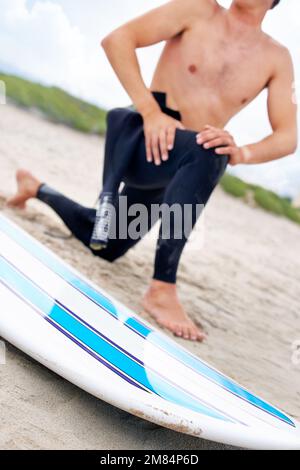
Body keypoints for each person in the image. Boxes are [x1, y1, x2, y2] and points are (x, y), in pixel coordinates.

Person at [9, 0, 297, 342]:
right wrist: (149, 111)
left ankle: (36, 188)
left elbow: (288, 137)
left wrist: (242, 152)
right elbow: (117, 39)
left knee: (107, 245)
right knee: (209, 149)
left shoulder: (276, 59)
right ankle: (162, 287)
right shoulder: (197, 10)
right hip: (142, 143)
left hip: (182, 171)